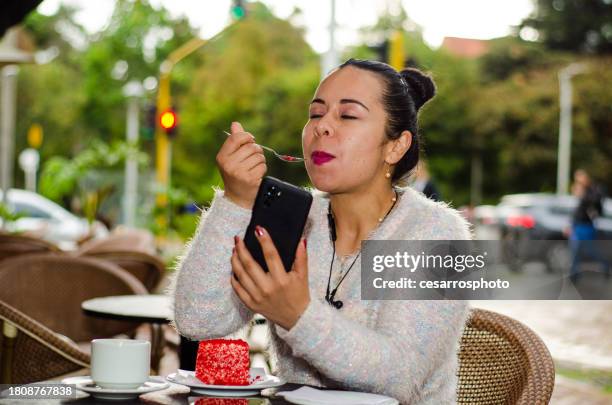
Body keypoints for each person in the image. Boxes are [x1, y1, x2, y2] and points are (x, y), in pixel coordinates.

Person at [170, 59, 472, 404]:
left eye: (348, 116)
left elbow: (400, 377)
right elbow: (198, 320)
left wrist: (296, 315)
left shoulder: (436, 232)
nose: (322, 127)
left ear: (395, 146)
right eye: (316, 114)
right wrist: (236, 202)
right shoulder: (292, 216)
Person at [568, 169, 610, 282]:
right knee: (575, 250)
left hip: (586, 225)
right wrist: (570, 224)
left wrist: (583, 195)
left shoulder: (592, 190)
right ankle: (574, 274)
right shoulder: (579, 191)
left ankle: (606, 265)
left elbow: (595, 206)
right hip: (577, 225)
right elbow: (576, 211)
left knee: (590, 250)